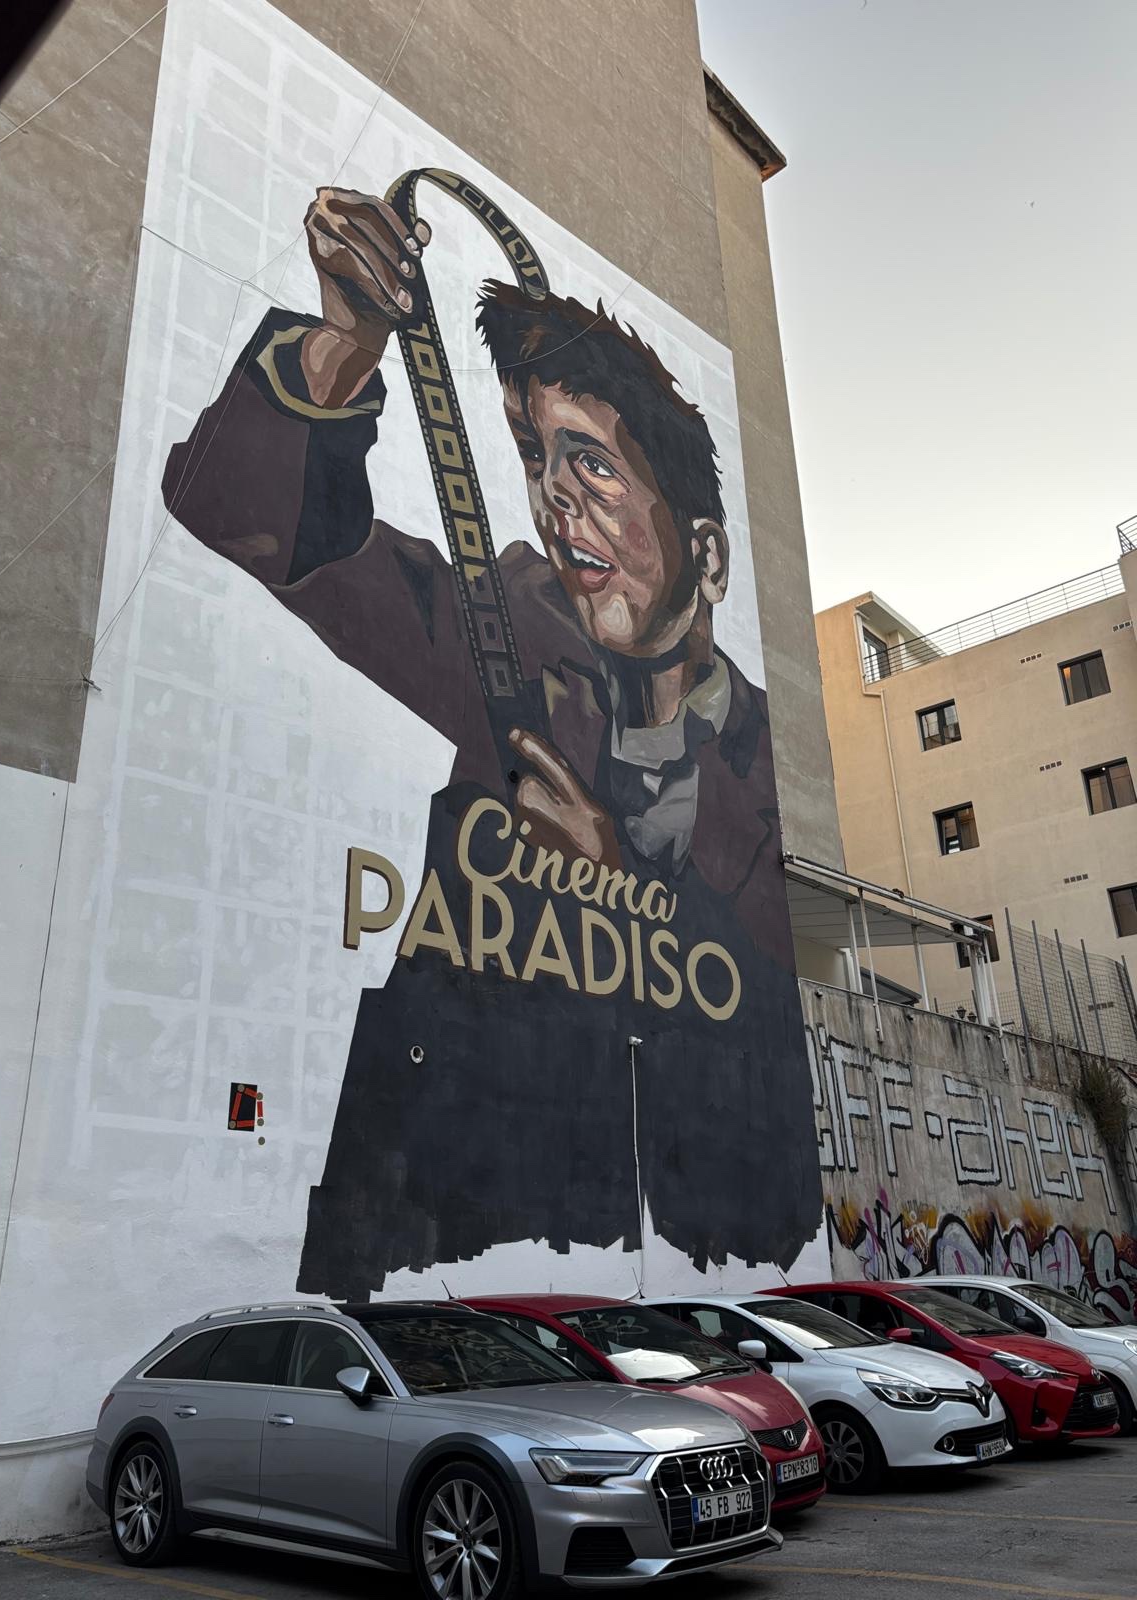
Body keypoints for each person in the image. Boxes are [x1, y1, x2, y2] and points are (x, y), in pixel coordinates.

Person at [163, 185, 822, 1296]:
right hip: (432, 1252)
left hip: (685, 1259)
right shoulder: (511, 623)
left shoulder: (762, 772)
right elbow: (246, 516)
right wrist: (340, 349)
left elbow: (762, 1022)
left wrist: (613, 887)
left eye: (593, 463)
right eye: (533, 453)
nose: (554, 499)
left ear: (709, 557)